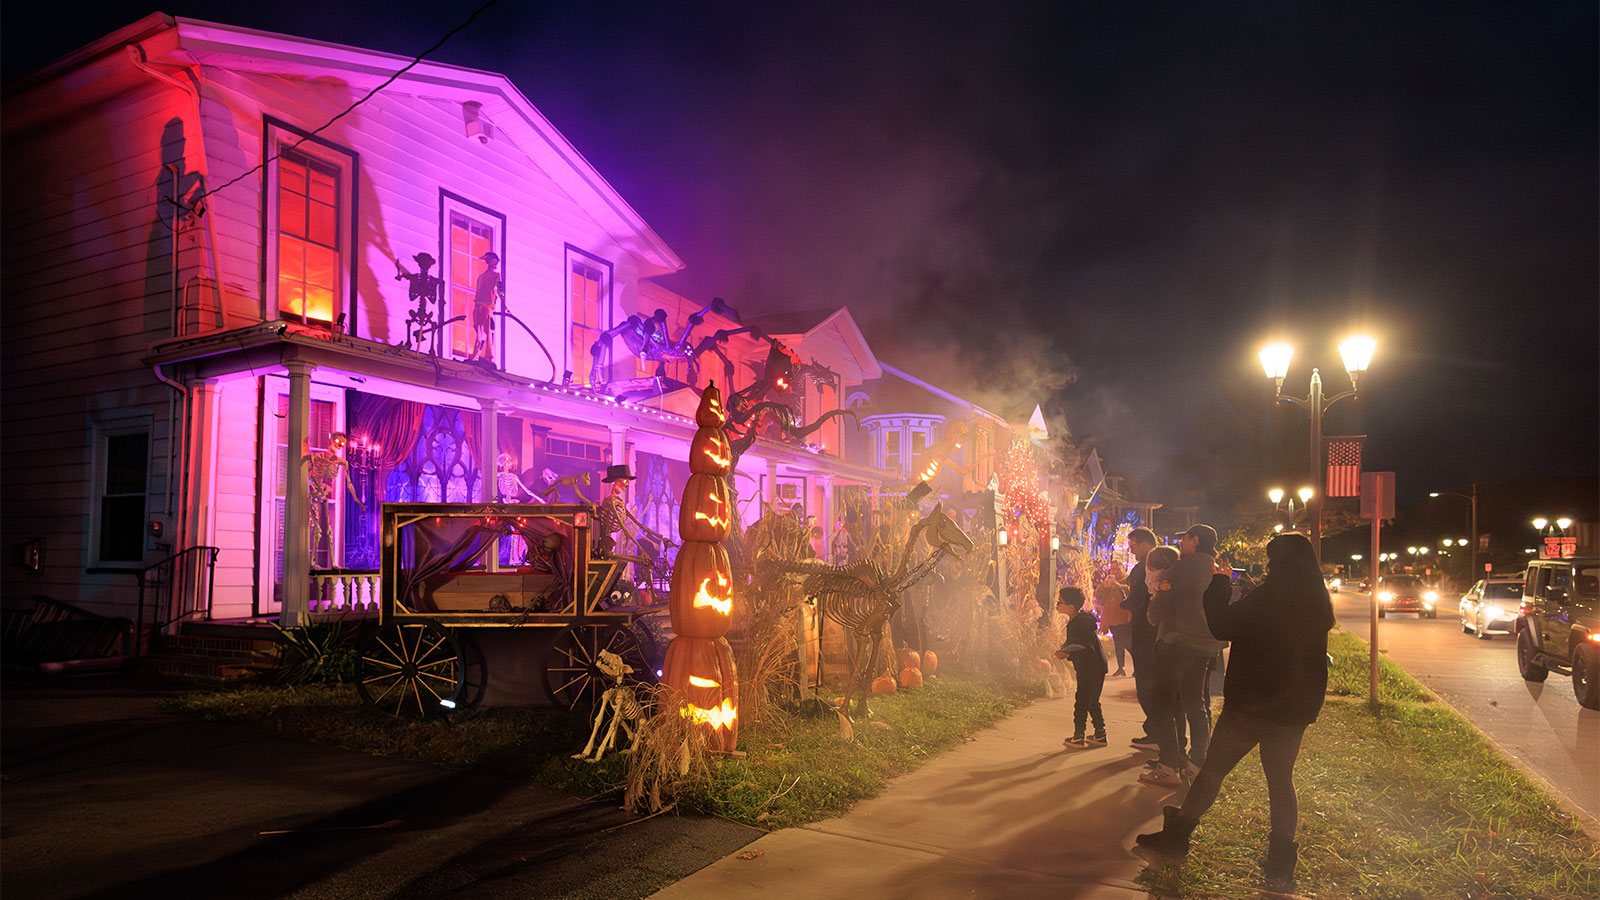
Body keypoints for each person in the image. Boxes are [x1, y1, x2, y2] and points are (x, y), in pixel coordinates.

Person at [1136, 532, 1335, 892]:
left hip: (1253, 703)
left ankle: (1176, 837)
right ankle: (1279, 866)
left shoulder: (1270, 594)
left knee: (1213, 771)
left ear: (1278, 561)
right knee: (1280, 782)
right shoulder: (1317, 599)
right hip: (1293, 708)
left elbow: (1222, 625)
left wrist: (1220, 583)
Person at [1141, 524, 1223, 787]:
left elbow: (1156, 615)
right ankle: (1197, 761)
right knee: (1195, 702)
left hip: (1178, 642)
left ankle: (1168, 765)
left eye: (1184, 539)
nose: (1182, 545)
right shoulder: (1215, 567)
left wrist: (1160, 593)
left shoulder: (1183, 567)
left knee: (1162, 704)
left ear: (1195, 540)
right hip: (1206, 644)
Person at [1121, 528, 1165, 752]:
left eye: (1133, 545)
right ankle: (1156, 730)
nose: (1131, 550)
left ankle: (1157, 732)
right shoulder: (1163, 564)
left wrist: (1123, 602)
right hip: (1157, 632)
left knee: (1146, 685)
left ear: (1145, 543)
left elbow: (1138, 598)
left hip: (1146, 631)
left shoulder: (1145, 568)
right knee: (1153, 684)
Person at [1054, 586, 1107, 747]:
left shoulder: (1077, 623)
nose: (1057, 605)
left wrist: (1067, 653)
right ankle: (1100, 734)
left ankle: (1078, 736)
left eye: (1059, 602)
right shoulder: (1082, 620)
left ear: (1070, 606)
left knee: (1082, 701)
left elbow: (1083, 646)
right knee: (1092, 701)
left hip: (1089, 668)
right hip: (1098, 666)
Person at [469, 251, 502, 362]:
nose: (488, 262)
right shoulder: (482, 276)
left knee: (486, 332)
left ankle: (487, 356)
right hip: (480, 306)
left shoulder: (496, 276)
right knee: (480, 333)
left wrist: (505, 305)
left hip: (487, 306)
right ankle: (477, 355)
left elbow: (499, 291)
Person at [1094, 580, 1132, 676]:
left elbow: (1128, 600)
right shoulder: (1107, 591)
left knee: (1126, 645)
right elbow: (1098, 596)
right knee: (1120, 646)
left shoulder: (1123, 588)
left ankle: (1127, 667)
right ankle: (1121, 668)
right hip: (1113, 622)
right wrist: (1104, 584)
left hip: (1122, 621)